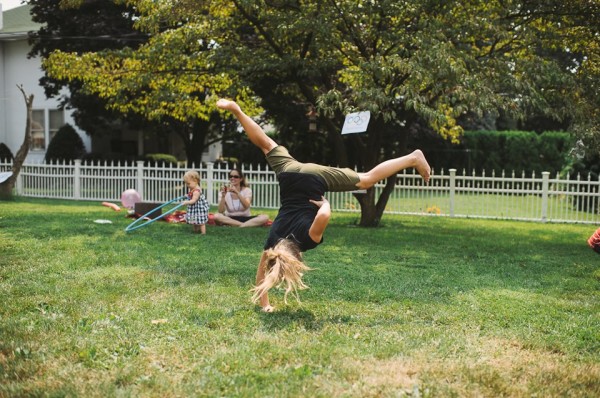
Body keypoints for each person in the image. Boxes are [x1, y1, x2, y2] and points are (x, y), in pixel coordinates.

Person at [216, 98, 431, 312]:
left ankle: (413, 158)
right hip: (290, 174)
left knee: (366, 179)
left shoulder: (308, 240)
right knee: (266, 144)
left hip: (314, 180)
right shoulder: (274, 240)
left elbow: (324, 217)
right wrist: (265, 305)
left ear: (298, 258)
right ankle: (236, 110)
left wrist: (324, 204)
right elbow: (262, 271)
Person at [182, 170, 210, 234]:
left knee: (201, 221)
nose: (187, 185)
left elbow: (194, 200)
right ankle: (195, 231)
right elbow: (191, 196)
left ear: (196, 181)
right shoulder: (193, 188)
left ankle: (203, 233)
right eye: (186, 183)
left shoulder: (196, 191)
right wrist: (187, 195)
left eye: (188, 183)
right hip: (195, 208)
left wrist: (186, 202)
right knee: (194, 220)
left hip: (199, 208)